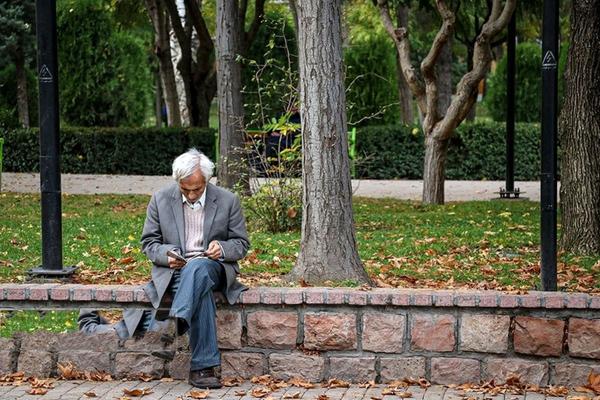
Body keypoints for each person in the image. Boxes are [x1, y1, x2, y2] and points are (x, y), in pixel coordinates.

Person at [79, 149, 249, 389]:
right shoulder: (160, 199)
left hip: (213, 268)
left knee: (199, 268)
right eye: (185, 188)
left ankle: (171, 323)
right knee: (200, 293)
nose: (191, 195)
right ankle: (202, 369)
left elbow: (241, 244)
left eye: (197, 189)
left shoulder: (227, 200)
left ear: (208, 181)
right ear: (177, 181)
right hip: (174, 272)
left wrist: (221, 248)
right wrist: (167, 255)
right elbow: (149, 243)